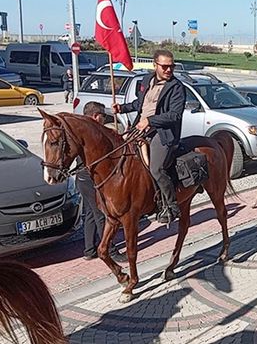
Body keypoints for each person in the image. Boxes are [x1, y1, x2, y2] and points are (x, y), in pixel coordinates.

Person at [112, 49, 186, 224]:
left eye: (171, 66)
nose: (169, 70)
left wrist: (150, 121)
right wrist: (122, 108)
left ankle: (171, 205)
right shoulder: (146, 80)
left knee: (156, 169)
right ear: (155, 65)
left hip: (163, 133)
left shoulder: (177, 87)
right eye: (165, 67)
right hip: (139, 129)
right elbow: (140, 103)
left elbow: (175, 115)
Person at [77, 102, 125, 261]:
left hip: (81, 178)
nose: (104, 120)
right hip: (90, 178)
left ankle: (89, 250)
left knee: (90, 213)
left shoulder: (81, 130)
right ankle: (110, 250)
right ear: (96, 117)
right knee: (100, 213)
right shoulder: (91, 133)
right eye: (103, 117)